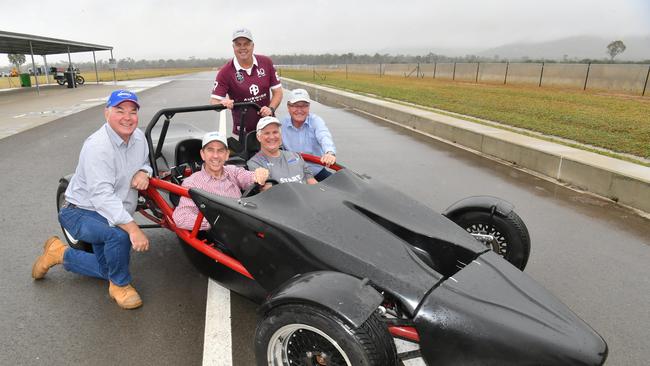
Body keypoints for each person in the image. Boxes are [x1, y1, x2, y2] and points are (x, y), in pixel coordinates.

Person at [31, 90, 152, 310]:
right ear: (107, 113)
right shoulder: (98, 146)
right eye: (119, 110)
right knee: (119, 235)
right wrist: (134, 229)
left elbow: (145, 161)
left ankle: (58, 253)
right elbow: (101, 196)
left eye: (132, 111)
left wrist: (144, 171)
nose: (127, 117)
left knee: (108, 268)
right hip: (80, 211)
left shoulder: (138, 137)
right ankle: (120, 286)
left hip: (104, 213)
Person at [172, 131, 269, 231]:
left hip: (246, 224)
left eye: (220, 151)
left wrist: (259, 174)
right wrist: (216, 221)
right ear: (203, 154)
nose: (215, 156)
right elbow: (181, 218)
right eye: (210, 150)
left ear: (227, 154)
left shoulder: (232, 171)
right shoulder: (192, 183)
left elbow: (249, 177)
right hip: (224, 236)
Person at [210, 27, 283, 136]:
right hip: (243, 131)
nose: (242, 48)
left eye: (246, 44)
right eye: (238, 44)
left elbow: (278, 92)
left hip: (267, 127)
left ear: (253, 46)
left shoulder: (266, 62)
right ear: (233, 47)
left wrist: (271, 109)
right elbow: (213, 102)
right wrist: (222, 103)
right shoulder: (225, 72)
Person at [281, 89, 337, 181]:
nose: (299, 110)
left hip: (316, 172)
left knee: (338, 186)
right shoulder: (281, 124)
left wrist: (330, 153)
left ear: (309, 107)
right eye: (295, 106)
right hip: (292, 174)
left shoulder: (316, 121)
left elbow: (324, 136)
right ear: (288, 107)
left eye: (304, 106)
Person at [248, 116, 317, 189]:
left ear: (280, 135)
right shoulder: (255, 164)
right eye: (267, 133)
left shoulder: (295, 156)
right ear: (258, 137)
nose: (271, 137)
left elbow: (312, 182)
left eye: (275, 132)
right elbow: (268, 193)